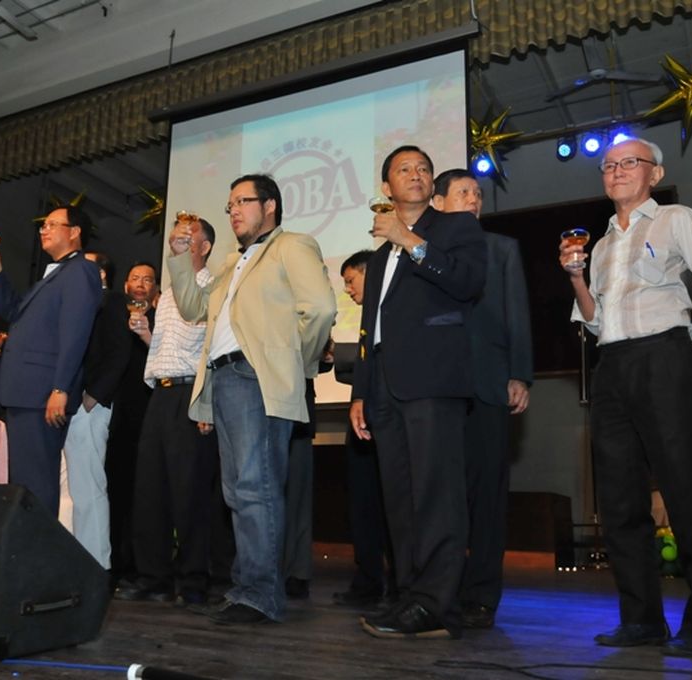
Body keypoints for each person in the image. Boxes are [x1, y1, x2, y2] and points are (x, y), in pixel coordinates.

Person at [559, 137, 692, 657]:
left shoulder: (676, 219)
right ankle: (641, 620)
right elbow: (593, 320)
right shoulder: (601, 245)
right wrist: (575, 277)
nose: (616, 171)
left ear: (654, 174)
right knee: (618, 500)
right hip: (611, 364)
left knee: (685, 489)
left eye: (629, 163)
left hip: (664, 356)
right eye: (608, 165)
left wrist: (690, 347)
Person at [167, 173, 336, 624]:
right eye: (231, 205)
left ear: (270, 206)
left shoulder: (291, 245)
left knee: (254, 488)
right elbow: (192, 307)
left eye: (243, 201)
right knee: (238, 491)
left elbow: (321, 308)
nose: (235, 211)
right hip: (223, 378)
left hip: (254, 375)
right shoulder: (231, 262)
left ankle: (260, 595)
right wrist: (181, 258)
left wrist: (292, 363)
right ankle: (247, 588)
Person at [351, 146, 486, 639]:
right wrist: (361, 391)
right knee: (401, 498)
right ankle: (410, 596)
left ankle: (437, 605)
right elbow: (370, 326)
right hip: (384, 385)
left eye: (424, 169)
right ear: (386, 188)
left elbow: (468, 282)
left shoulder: (455, 227)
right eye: (404, 169)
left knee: (437, 495)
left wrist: (408, 238)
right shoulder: (378, 256)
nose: (417, 174)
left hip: (432, 379)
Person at [431, 169, 533, 629]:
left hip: (489, 383)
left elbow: (517, 314)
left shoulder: (501, 248)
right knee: (440, 494)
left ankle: (482, 594)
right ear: (438, 203)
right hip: (436, 388)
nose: (473, 199)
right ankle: (438, 589)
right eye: (463, 192)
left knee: (487, 495)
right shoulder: (423, 251)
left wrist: (519, 374)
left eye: (477, 193)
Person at [115, 216, 217, 606]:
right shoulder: (170, 292)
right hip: (160, 393)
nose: (179, 242)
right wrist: (146, 333)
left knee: (189, 490)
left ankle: (193, 580)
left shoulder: (212, 286)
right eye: (176, 236)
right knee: (150, 488)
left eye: (188, 238)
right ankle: (154, 577)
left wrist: (207, 402)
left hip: (190, 393)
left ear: (204, 247)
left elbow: (211, 349)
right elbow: (165, 348)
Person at [0, 204, 102, 516]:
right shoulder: (55, 274)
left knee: (36, 481)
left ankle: (37, 544)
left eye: (52, 224)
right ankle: (24, 539)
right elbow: (14, 312)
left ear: (74, 232)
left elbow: (76, 333)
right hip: (24, 392)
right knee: (22, 480)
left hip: (42, 393)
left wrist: (60, 388)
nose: (43, 230)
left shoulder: (81, 270)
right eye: (43, 225)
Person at [331, 250, 396, 610]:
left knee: (392, 503)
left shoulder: (395, 308)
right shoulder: (365, 320)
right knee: (362, 504)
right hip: (361, 418)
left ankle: (400, 584)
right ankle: (368, 580)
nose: (348, 290)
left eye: (350, 281)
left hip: (390, 416)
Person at [62, 251, 132, 569]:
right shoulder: (74, 302)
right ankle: (69, 559)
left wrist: (94, 396)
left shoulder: (113, 301)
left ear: (102, 273)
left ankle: (95, 565)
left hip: (89, 404)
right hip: (65, 403)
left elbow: (119, 351)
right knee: (67, 489)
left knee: (88, 486)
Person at [106, 262, 158, 577]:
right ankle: (112, 560)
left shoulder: (161, 321)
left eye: (147, 280)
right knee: (113, 486)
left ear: (155, 289)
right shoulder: (112, 318)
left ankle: (139, 564)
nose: (140, 284)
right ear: (125, 286)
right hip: (113, 412)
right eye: (135, 278)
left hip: (148, 413)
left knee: (144, 490)